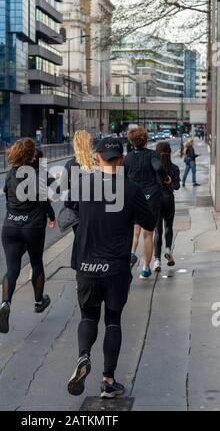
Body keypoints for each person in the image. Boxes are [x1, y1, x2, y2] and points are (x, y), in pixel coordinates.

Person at [67, 137, 155, 399]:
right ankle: (108, 381)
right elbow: (149, 222)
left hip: (86, 264)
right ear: (121, 159)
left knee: (88, 317)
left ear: (97, 158)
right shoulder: (132, 189)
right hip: (115, 266)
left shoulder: (82, 185)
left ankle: (83, 356)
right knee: (113, 320)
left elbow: (67, 213)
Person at [0, 138, 55, 334]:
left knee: (12, 268)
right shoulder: (37, 175)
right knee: (36, 263)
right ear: (31, 155)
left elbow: (6, 198)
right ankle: (39, 302)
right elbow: (49, 196)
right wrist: (51, 215)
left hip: (10, 225)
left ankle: (5, 303)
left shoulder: (10, 174)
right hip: (32, 226)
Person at [123, 127, 171, 280]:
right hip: (150, 197)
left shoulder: (128, 158)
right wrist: (166, 178)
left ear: (131, 141)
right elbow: (158, 167)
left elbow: (122, 177)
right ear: (146, 140)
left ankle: (131, 252)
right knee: (148, 234)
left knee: (134, 230)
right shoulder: (152, 154)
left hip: (133, 198)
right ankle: (145, 268)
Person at [60, 130, 96, 233]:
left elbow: (63, 187)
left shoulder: (70, 164)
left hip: (78, 210)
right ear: (89, 144)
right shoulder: (97, 163)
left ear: (75, 145)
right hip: (97, 209)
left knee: (80, 241)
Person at [153, 142, 181, 273]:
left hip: (156, 201)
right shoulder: (174, 168)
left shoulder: (154, 169)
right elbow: (176, 187)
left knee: (158, 231)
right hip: (169, 200)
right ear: (169, 152)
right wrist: (170, 182)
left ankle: (157, 260)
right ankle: (168, 250)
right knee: (168, 226)